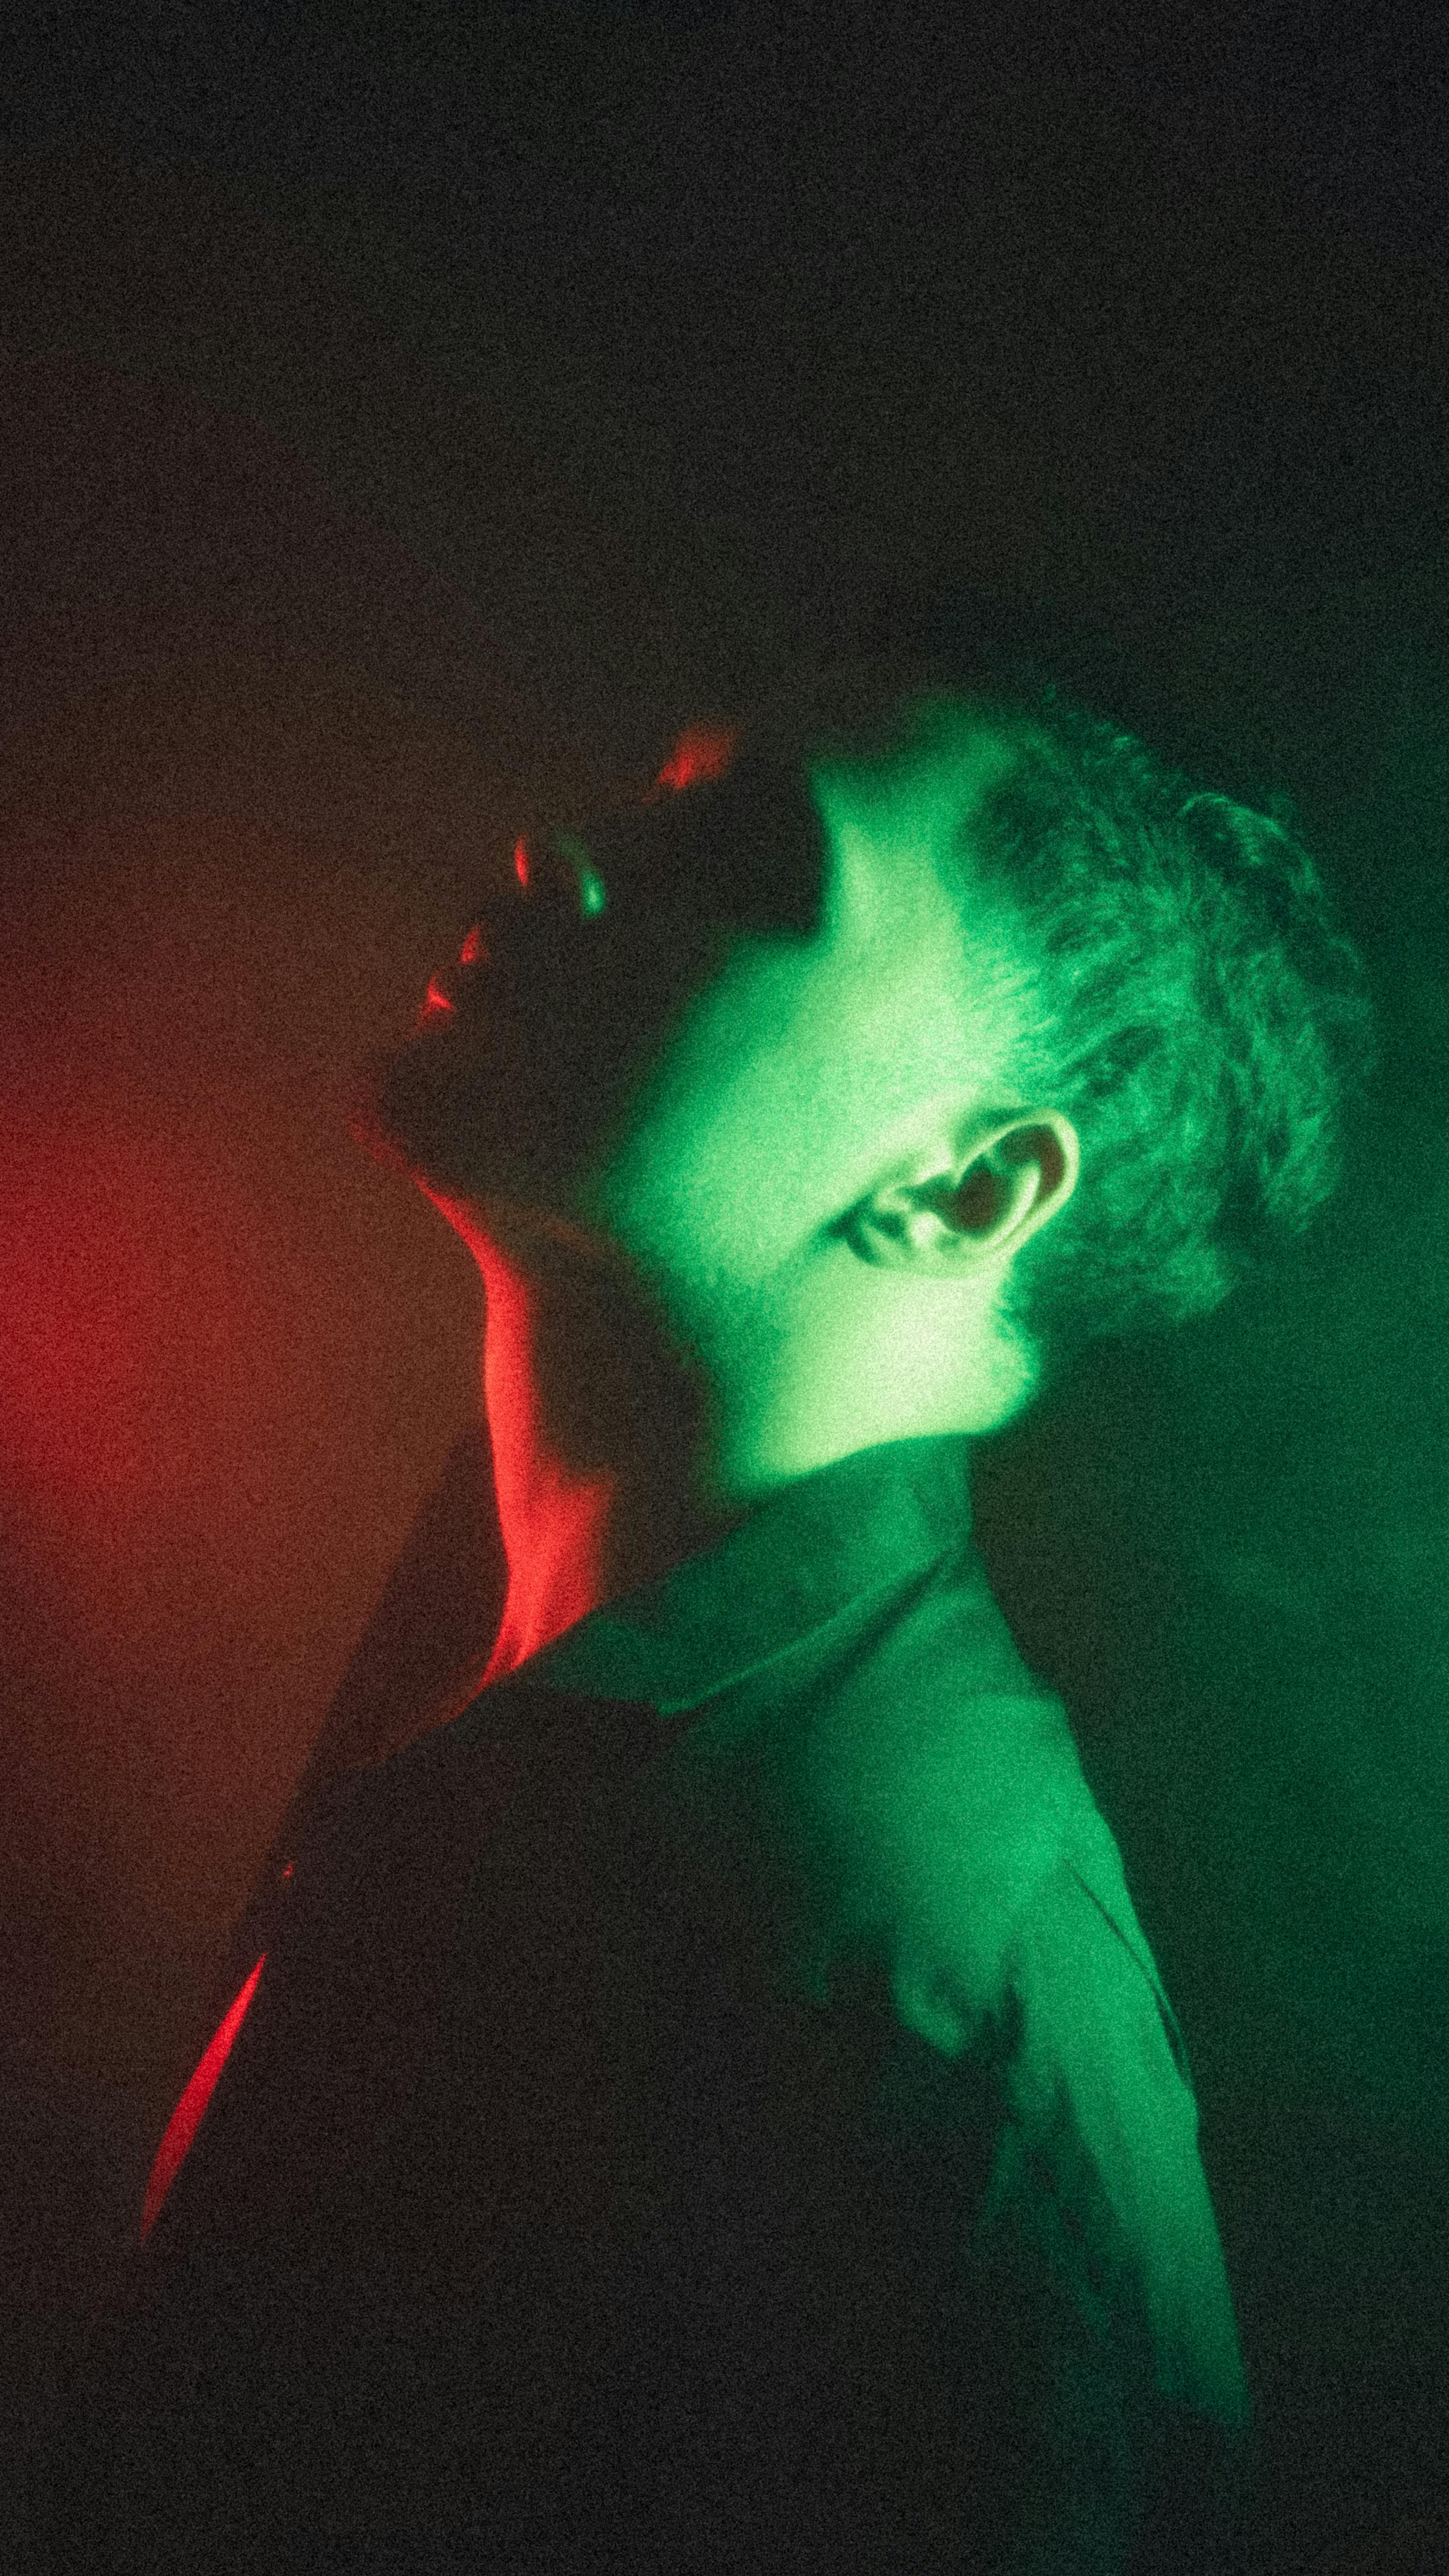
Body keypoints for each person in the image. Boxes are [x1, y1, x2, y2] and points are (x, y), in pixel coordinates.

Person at [50, 644, 1378, 2573]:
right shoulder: (584, 1735)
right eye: (659, 802)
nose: (566, 854)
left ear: (966, 1184)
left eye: (747, 860)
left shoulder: (915, 2005)